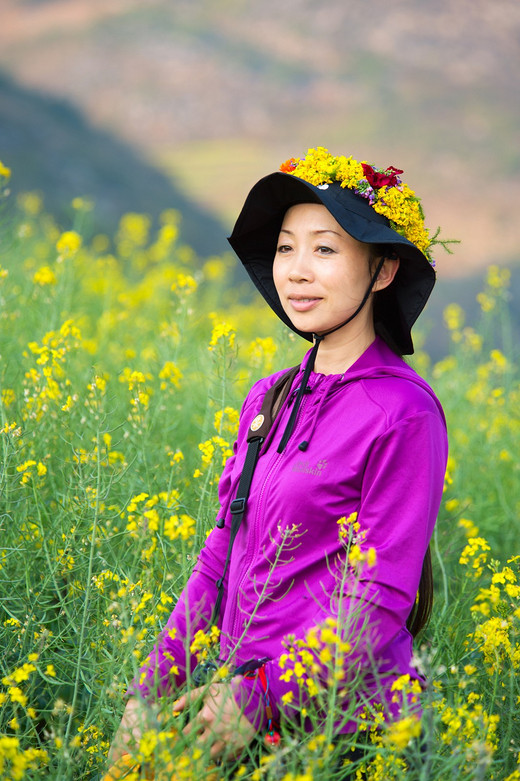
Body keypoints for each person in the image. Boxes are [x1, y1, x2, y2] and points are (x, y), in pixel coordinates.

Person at [108, 147, 449, 773]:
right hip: (241, 715)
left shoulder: (403, 412)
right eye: (287, 248)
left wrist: (261, 696)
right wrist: (149, 691)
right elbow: (220, 556)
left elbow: (377, 603)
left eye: (325, 249)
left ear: (381, 271)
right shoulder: (267, 398)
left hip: (345, 736)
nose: (295, 270)